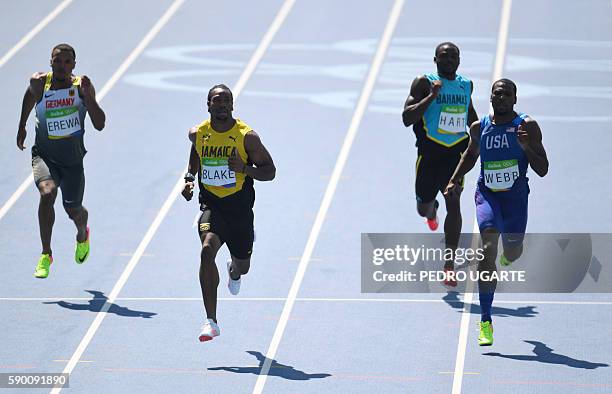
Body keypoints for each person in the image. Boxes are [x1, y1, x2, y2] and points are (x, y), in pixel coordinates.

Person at [445, 78, 548, 346]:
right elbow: (469, 156)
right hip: (487, 195)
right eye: (496, 94)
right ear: (490, 98)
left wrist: (525, 147)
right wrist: (454, 179)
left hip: (515, 199)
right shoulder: (480, 128)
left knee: (513, 250)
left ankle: (509, 256)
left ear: (515, 99)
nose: (501, 98)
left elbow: (543, 168)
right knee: (488, 246)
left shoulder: (527, 127)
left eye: (506, 95)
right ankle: (486, 320)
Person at [182, 84, 276, 342]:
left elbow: (270, 171)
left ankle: (233, 270)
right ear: (208, 105)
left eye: (227, 101)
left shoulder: (247, 137)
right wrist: (190, 177)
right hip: (212, 206)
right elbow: (196, 152)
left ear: (232, 106)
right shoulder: (198, 133)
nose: (222, 105)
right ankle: (211, 321)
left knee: (242, 267)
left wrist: (244, 168)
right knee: (206, 250)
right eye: (217, 101)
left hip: (240, 210)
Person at [16, 43, 106, 279]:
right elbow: (29, 95)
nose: (62, 66)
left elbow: (100, 124)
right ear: (51, 62)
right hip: (44, 155)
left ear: (74, 65)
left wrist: (89, 99)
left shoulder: (81, 86)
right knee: (47, 194)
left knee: (73, 210)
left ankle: (82, 234)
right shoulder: (39, 83)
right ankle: (46, 254)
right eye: (58, 61)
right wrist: (22, 125)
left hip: (73, 162)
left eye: (67, 62)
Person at [402, 42, 478, 284]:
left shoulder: (466, 85)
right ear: (435, 59)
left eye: (453, 56)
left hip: (455, 156)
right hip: (429, 154)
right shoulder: (424, 82)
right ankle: (430, 210)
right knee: (423, 206)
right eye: (444, 57)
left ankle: (449, 264)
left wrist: (484, 137)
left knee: (454, 202)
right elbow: (407, 117)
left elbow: (471, 117)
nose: (449, 60)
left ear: (459, 60)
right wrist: (432, 97)